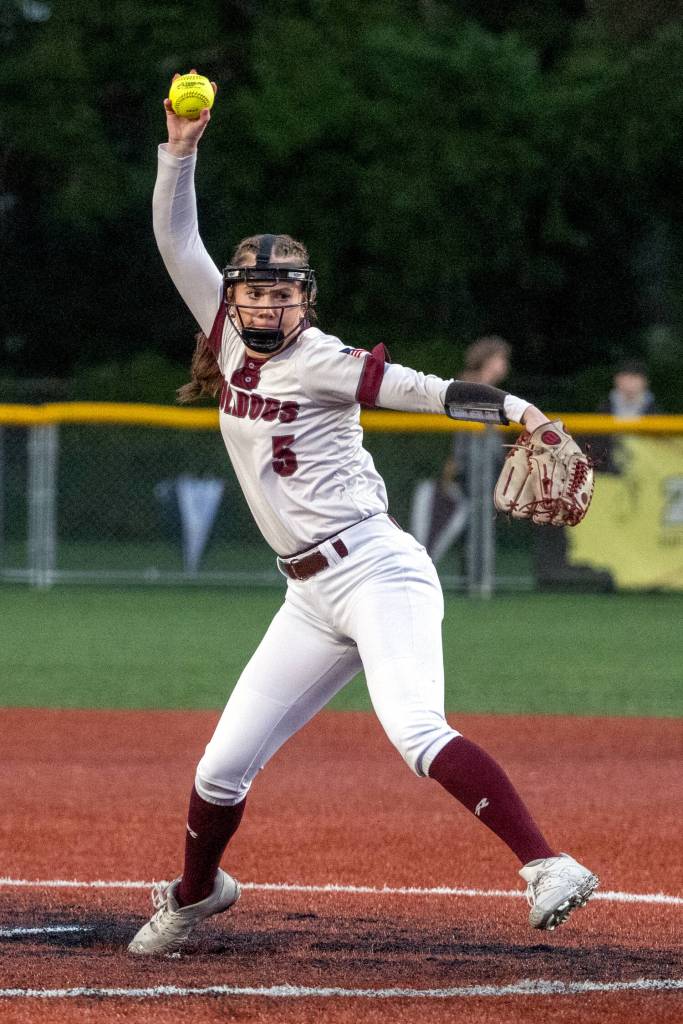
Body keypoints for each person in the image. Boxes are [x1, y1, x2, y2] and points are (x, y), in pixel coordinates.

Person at [127, 73, 599, 956]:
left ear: (308, 298)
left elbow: (424, 390)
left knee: (416, 730)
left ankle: (547, 864)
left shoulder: (324, 359)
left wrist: (522, 413)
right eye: (255, 291)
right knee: (221, 769)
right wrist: (180, 153)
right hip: (307, 595)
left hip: (375, 570)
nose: (267, 304)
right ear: (234, 298)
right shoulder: (225, 332)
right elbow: (175, 235)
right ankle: (198, 893)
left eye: (284, 292)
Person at [411, 337, 511, 567]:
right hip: (466, 471)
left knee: (480, 524)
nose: (504, 364)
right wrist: (452, 468)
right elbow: (458, 442)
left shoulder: (495, 391)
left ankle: (476, 578)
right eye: (500, 359)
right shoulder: (467, 386)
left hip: (486, 472)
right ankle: (471, 579)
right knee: (462, 525)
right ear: (487, 360)